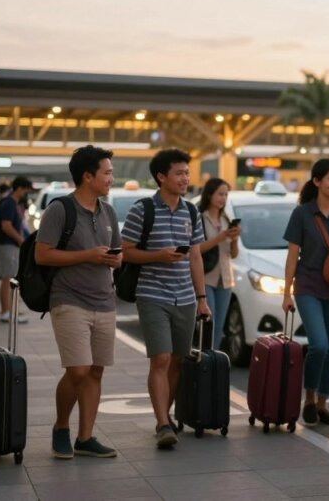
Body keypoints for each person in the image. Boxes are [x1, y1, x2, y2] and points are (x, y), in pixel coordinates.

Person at [35, 146, 121, 459]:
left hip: (104, 300)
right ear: (87, 176)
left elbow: (117, 253)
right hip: (69, 299)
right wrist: (88, 255)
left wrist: (114, 259)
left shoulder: (109, 212)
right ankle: (61, 426)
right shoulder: (60, 210)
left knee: (96, 372)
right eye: (107, 172)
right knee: (78, 371)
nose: (112, 178)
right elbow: (42, 254)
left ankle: (86, 438)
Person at [120, 148, 211, 449]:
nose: (185, 178)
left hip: (184, 296)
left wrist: (201, 298)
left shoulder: (191, 211)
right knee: (160, 358)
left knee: (177, 360)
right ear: (161, 177)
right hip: (152, 293)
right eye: (179, 173)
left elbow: (195, 256)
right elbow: (126, 251)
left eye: (187, 172)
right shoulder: (142, 209)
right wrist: (158, 255)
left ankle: (166, 416)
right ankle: (162, 424)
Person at [282, 158, 329, 426]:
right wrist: (286, 293)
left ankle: (323, 405)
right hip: (308, 288)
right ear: (316, 182)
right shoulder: (302, 214)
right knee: (319, 345)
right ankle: (310, 398)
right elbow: (292, 257)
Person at [197, 177, 240, 349]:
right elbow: (197, 249)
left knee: (219, 325)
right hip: (206, 277)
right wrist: (219, 238)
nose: (223, 198)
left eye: (226, 194)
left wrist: (235, 238)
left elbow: (234, 254)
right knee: (209, 321)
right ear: (209, 195)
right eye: (220, 194)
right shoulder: (200, 218)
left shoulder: (226, 219)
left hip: (226, 279)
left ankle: (213, 360)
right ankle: (204, 357)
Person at [0, 177, 34, 324]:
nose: (27, 194)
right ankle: (5, 312)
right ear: (20, 188)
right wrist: (21, 240)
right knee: (7, 278)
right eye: (26, 190)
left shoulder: (13, 203)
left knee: (10, 277)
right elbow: (6, 226)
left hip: (10, 245)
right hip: (7, 245)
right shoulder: (9, 203)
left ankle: (10, 310)